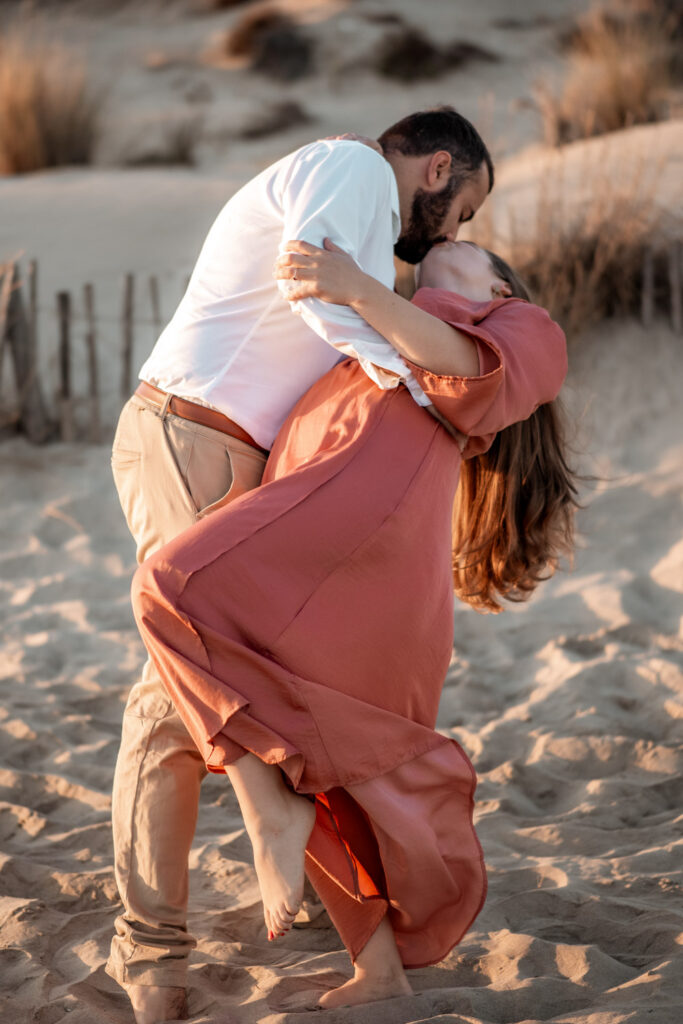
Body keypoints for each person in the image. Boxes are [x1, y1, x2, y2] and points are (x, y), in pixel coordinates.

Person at [106, 106, 495, 1024]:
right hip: (194, 435)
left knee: (213, 679)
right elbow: (309, 289)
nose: (454, 230)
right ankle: (150, 949)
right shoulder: (354, 167)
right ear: (437, 168)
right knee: (175, 693)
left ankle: (264, 890)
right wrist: (407, 379)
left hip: (221, 446)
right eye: (463, 207)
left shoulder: (355, 192)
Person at [130, 238, 578, 1011]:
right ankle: (377, 968)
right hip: (328, 555)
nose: (447, 241)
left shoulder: (520, 326)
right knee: (317, 767)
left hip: (366, 548)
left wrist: (358, 287)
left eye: (469, 244)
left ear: (499, 284)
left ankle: (264, 811)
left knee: (167, 588)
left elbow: (471, 373)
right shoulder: (373, 331)